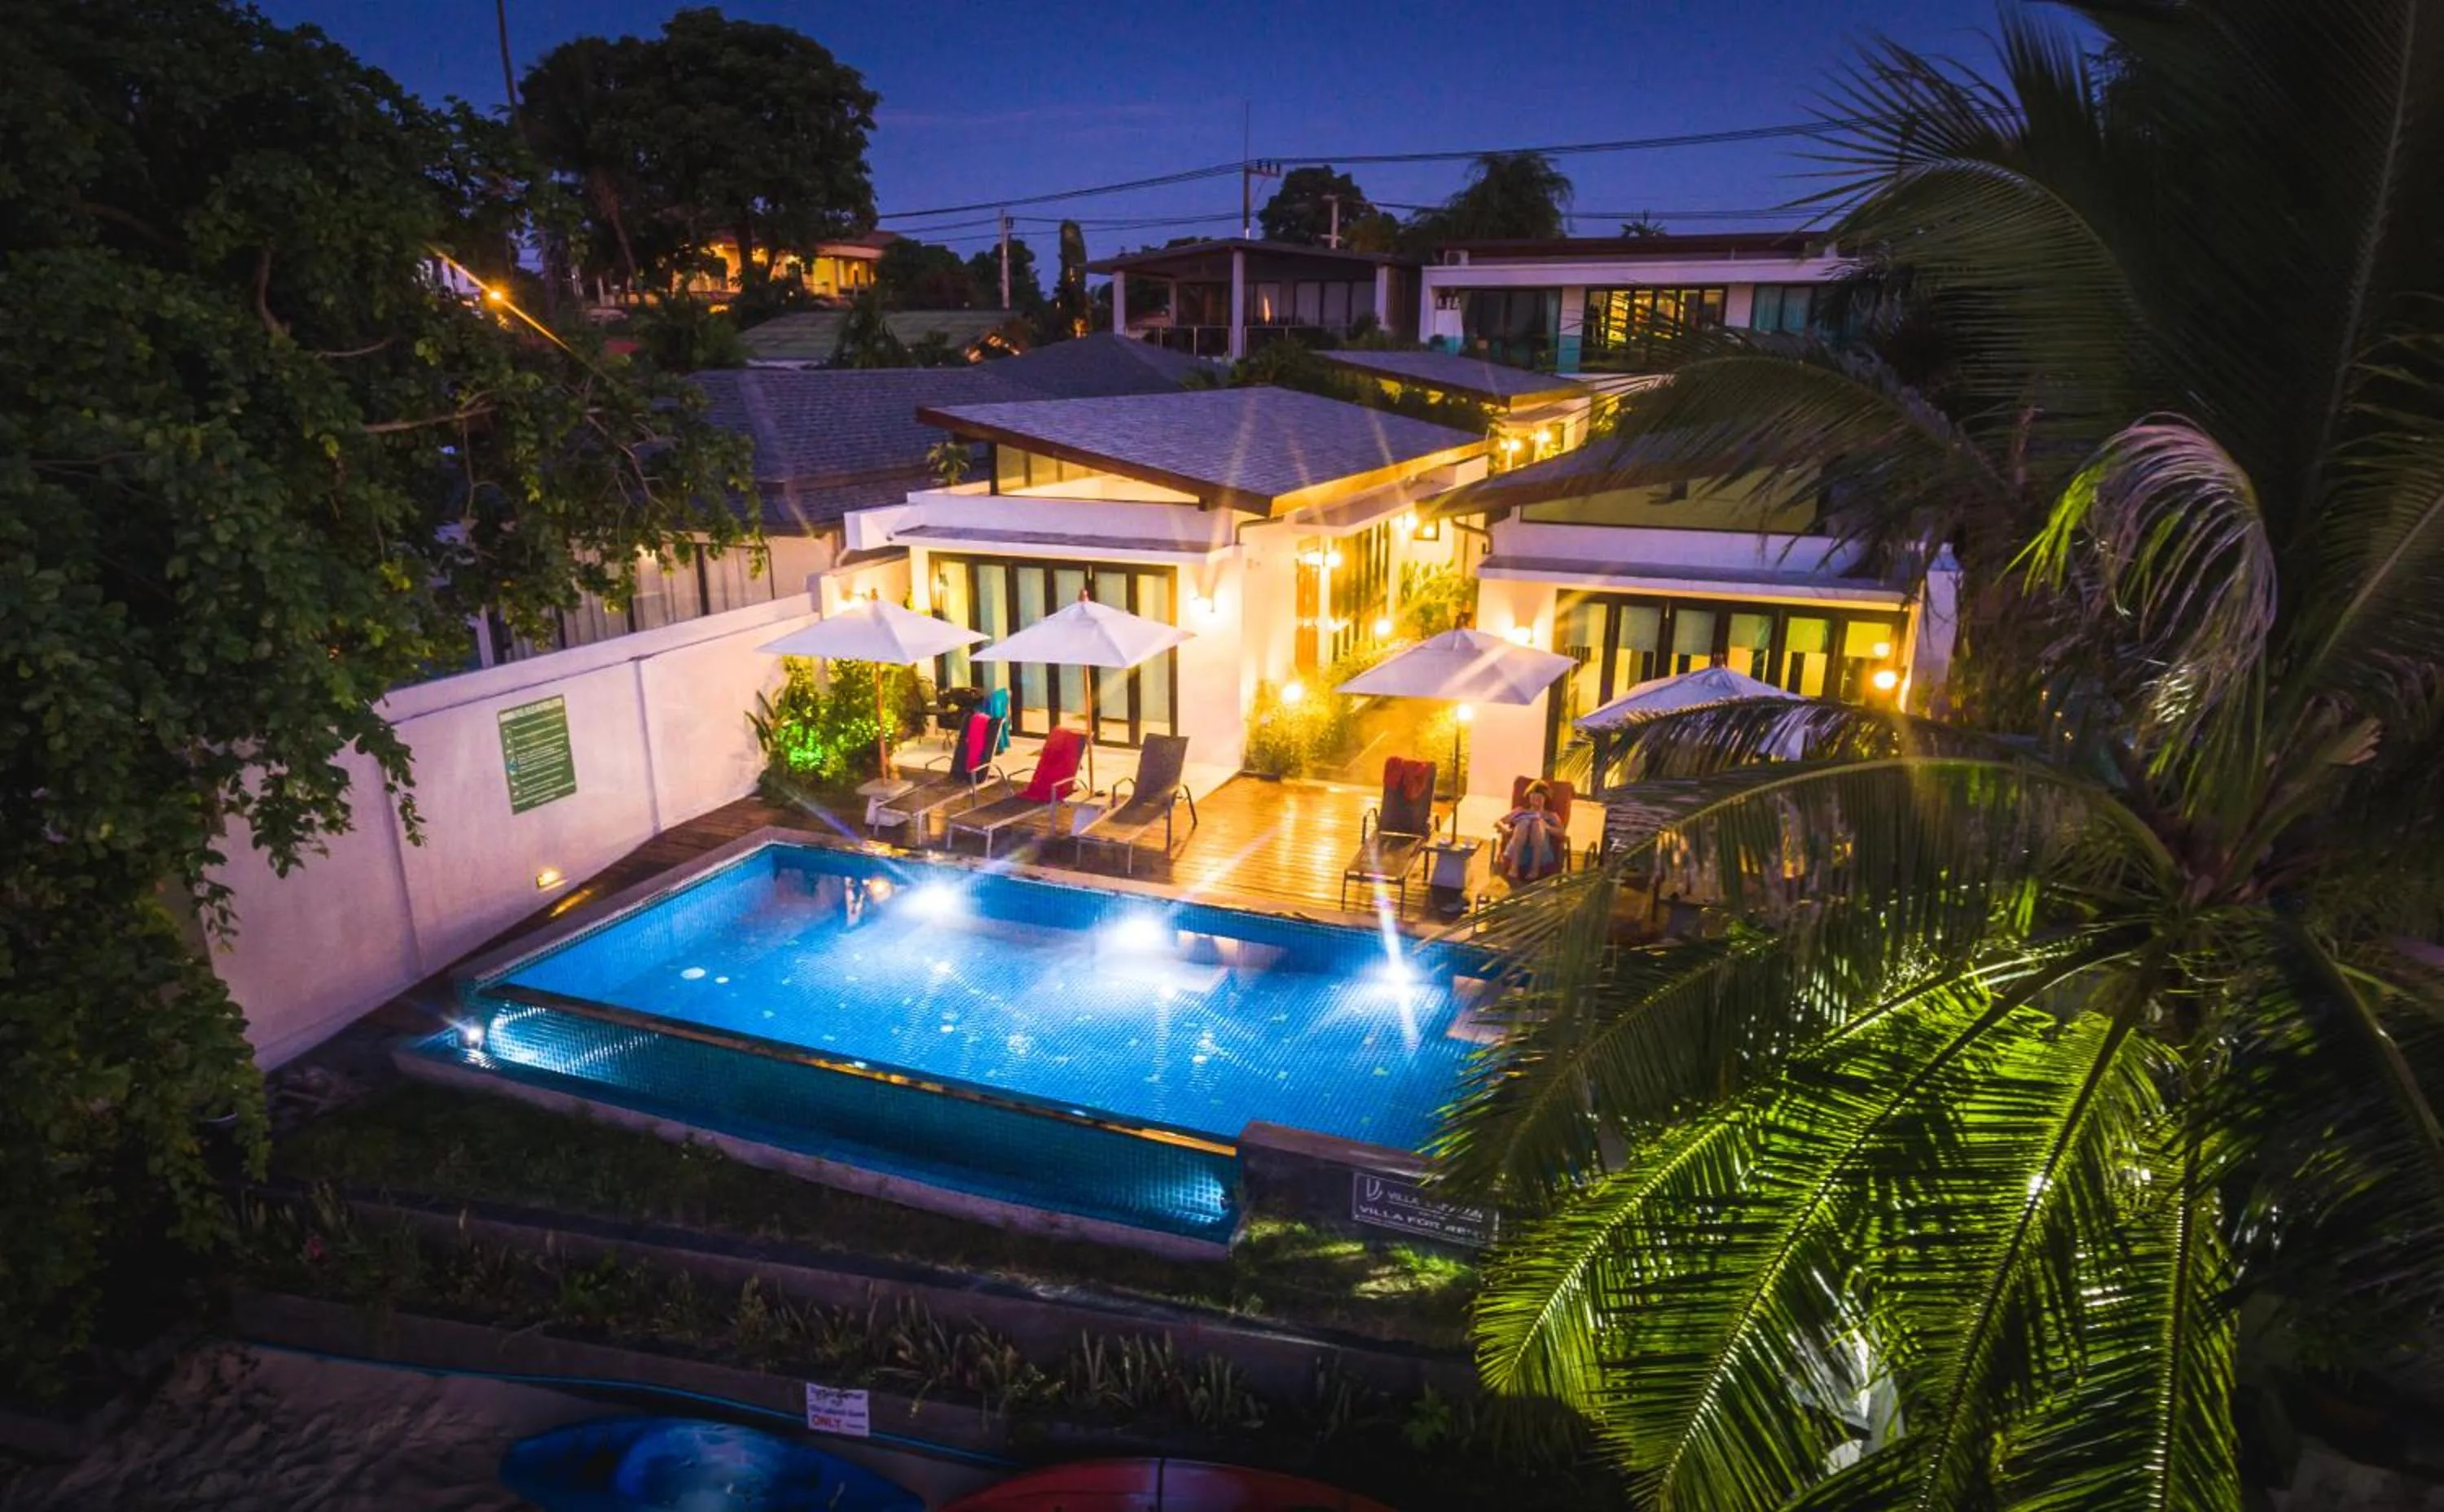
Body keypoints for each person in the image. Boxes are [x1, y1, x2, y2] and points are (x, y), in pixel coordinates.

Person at [1494, 780, 1566, 885]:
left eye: (1539, 796)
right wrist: (1505, 830)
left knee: (1537, 823)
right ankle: (1514, 868)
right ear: (1529, 796)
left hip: (1541, 855)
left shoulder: (1550, 815)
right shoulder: (1521, 811)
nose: (1535, 799)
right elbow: (1498, 822)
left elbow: (1562, 833)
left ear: (1545, 798)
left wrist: (1547, 827)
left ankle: (1535, 869)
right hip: (1517, 853)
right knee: (1524, 822)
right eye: (1533, 796)